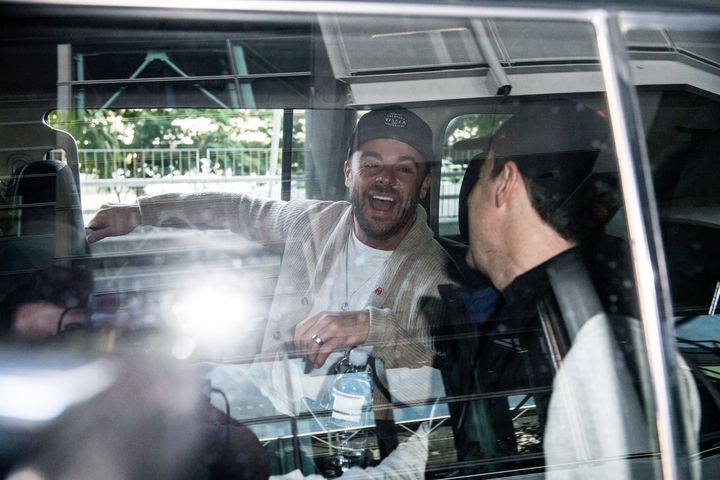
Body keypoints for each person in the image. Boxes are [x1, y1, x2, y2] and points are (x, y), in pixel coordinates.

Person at [446, 99, 700, 479]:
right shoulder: (582, 298)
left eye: (478, 177)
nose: (469, 197)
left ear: (504, 184)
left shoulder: (582, 342)